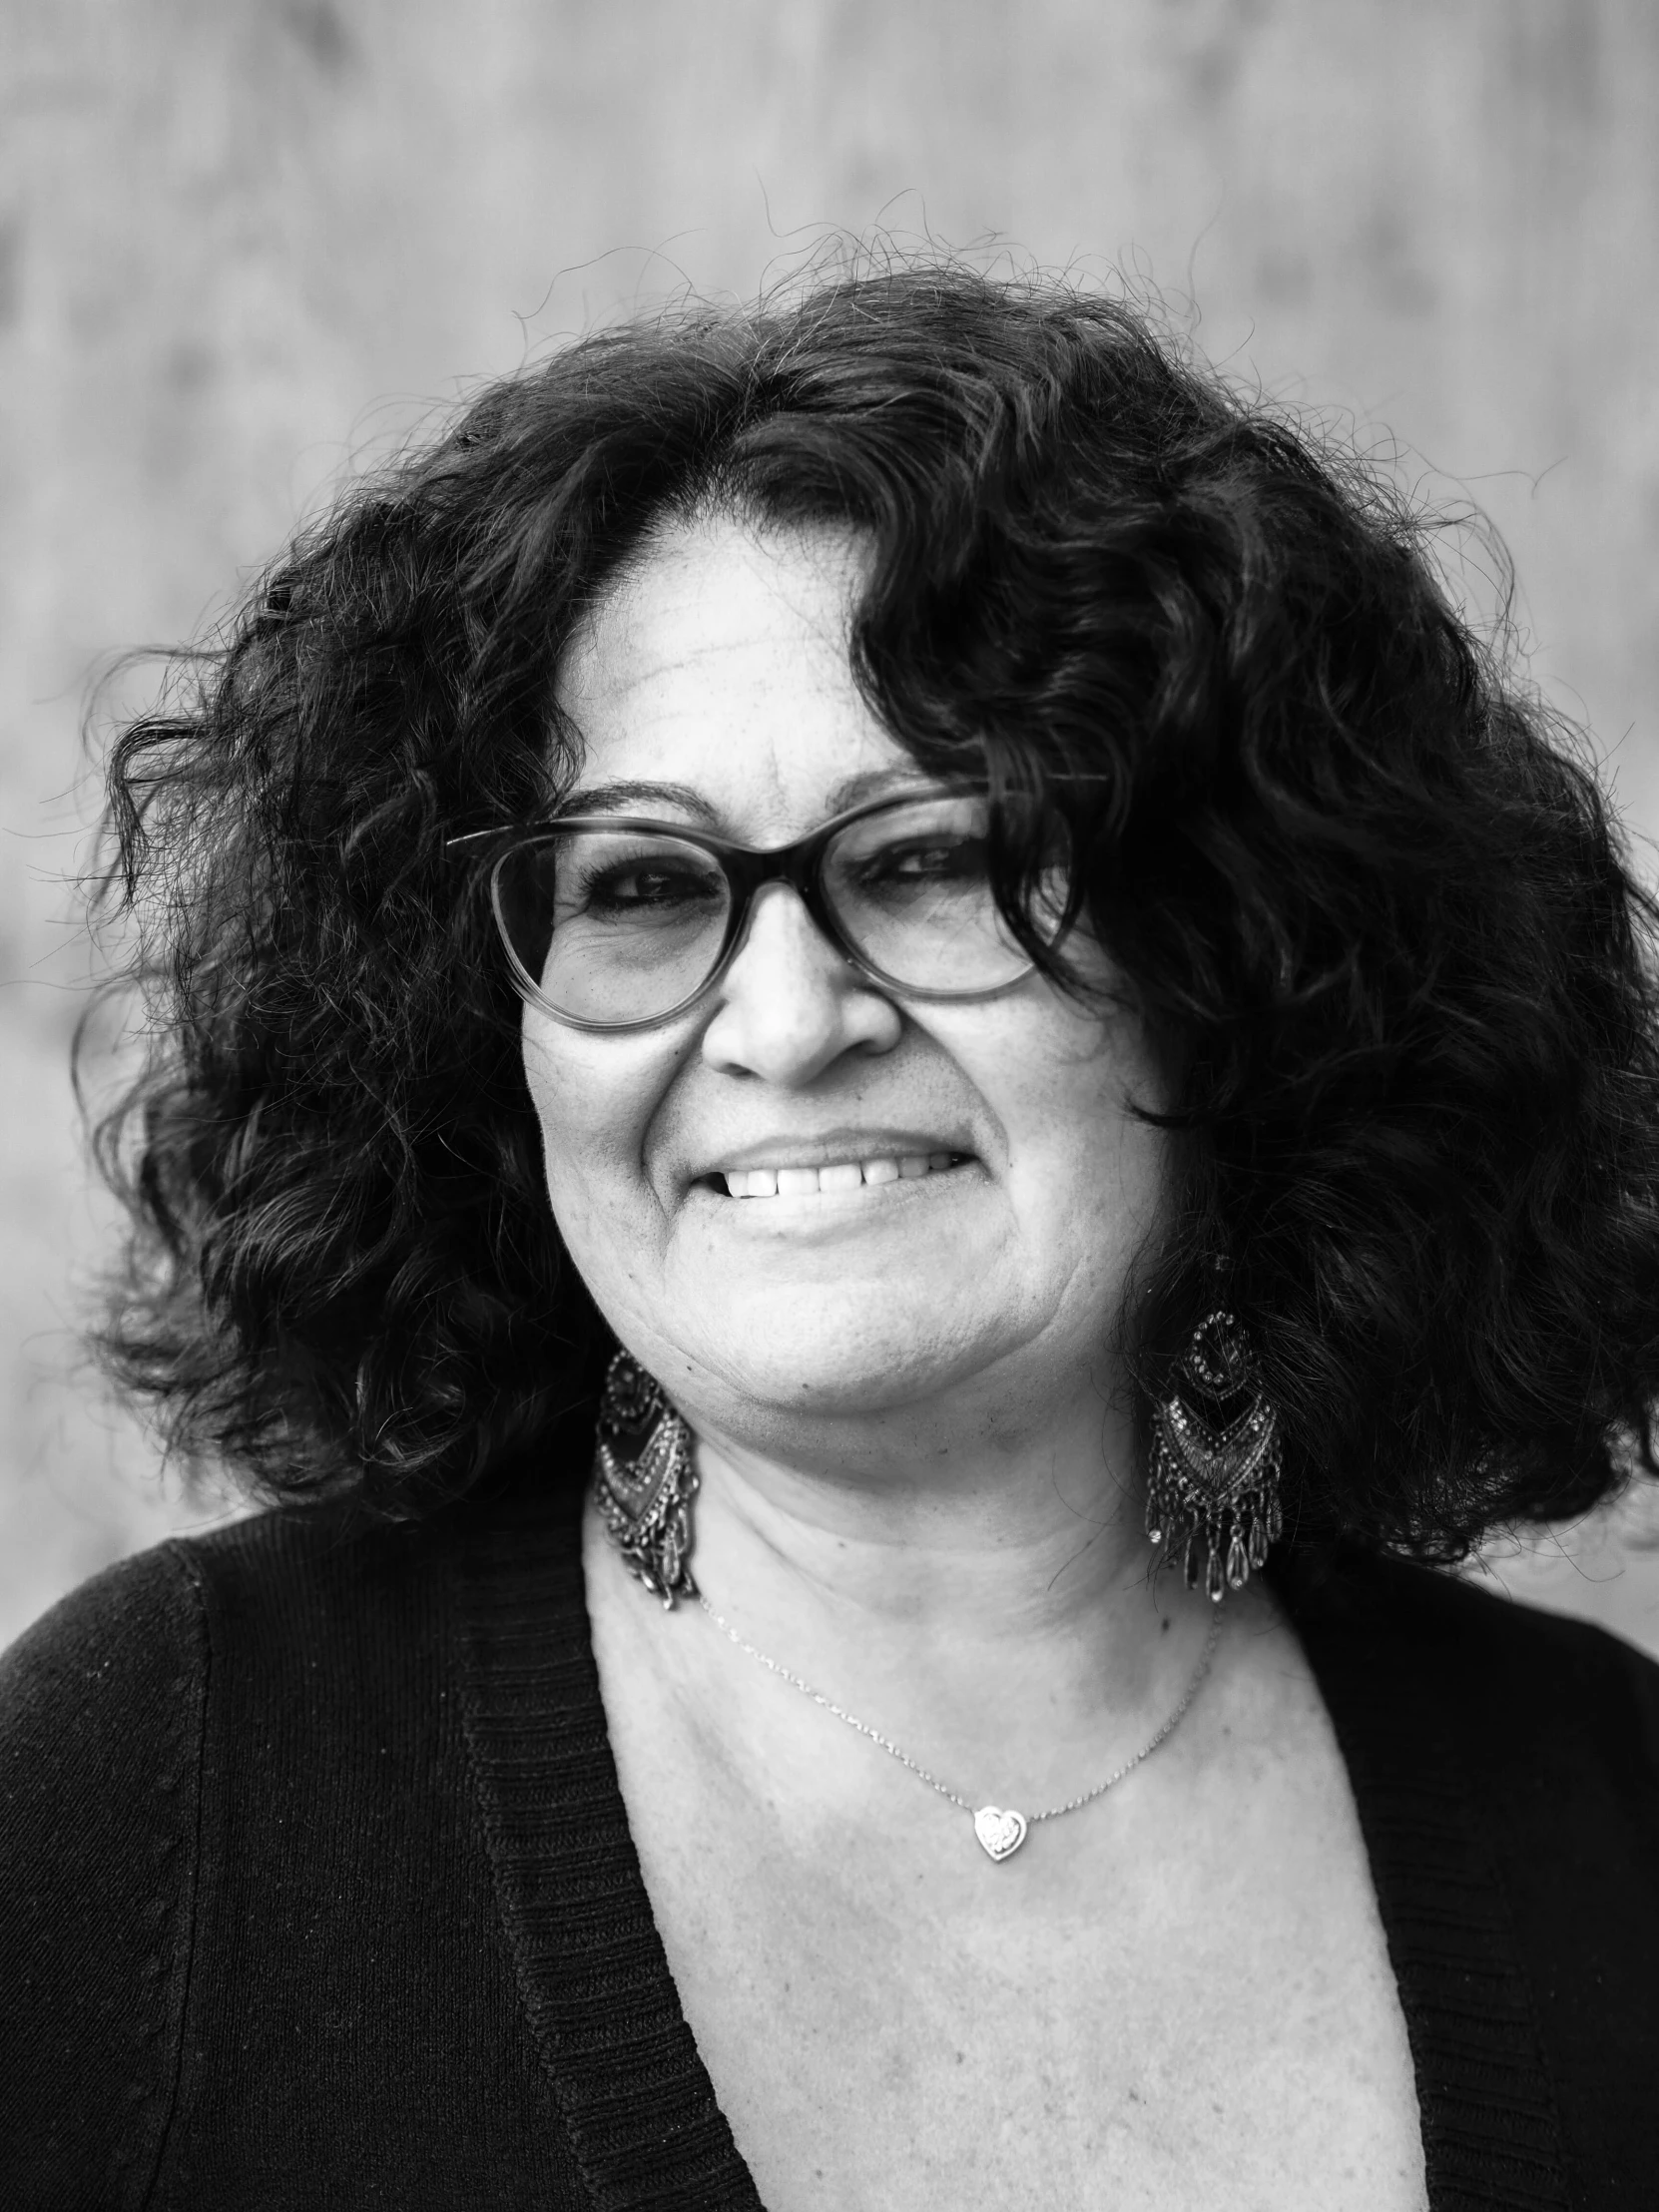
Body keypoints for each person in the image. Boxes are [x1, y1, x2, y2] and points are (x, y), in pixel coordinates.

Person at [3, 265, 1657, 2210]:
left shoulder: (1608, 1826)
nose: (784, 1023)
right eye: (636, 882)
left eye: (935, 858)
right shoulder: (167, 1798)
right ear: (483, 1030)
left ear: (1242, 966)